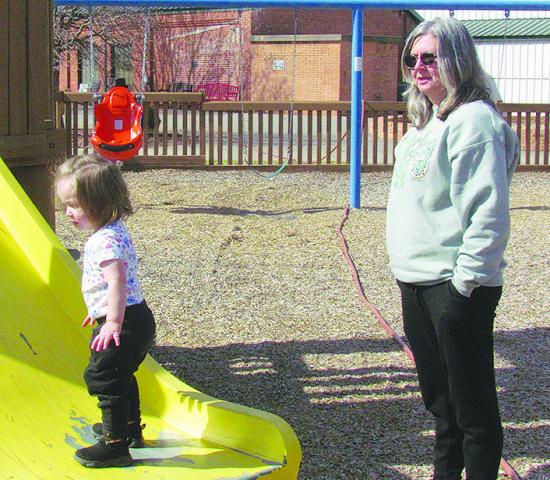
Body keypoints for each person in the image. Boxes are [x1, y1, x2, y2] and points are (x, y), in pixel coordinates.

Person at [386, 17, 519, 480]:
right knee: (441, 403)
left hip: (453, 286)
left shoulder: (474, 121)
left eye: (430, 57)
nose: (418, 67)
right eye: (412, 58)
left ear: (458, 61)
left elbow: (486, 213)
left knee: (472, 406)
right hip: (417, 282)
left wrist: (465, 284)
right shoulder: (425, 124)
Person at [55, 155, 156, 468]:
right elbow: (107, 286)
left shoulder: (103, 242)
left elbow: (116, 280)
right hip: (137, 318)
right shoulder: (115, 230)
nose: (68, 213)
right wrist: (98, 311)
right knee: (122, 373)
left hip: (123, 321)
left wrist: (111, 321)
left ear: (99, 202)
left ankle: (115, 446)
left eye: (74, 205)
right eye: (65, 205)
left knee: (103, 377)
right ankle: (128, 428)